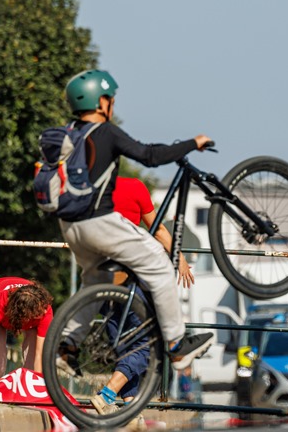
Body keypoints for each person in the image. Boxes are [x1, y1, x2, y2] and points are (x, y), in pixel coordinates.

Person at [55, 70, 214, 411]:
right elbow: (150, 155)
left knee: (94, 280)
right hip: (96, 221)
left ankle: (67, 345)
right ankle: (176, 345)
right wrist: (192, 144)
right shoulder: (105, 131)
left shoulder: (68, 134)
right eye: (110, 99)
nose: (112, 104)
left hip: (69, 227)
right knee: (158, 262)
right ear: (101, 102)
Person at [90, 176, 197, 415]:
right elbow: (158, 229)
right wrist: (179, 258)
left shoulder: (90, 187)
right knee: (149, 343)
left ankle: (130, 409)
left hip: (96, 281)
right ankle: (108, 393)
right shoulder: (133, 186)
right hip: (127, 279)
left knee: (124, 347)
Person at [0, 277, 53, 390]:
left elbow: (40, 353)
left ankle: (29, 386)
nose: (44, 312)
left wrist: (38, 388)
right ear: (24, 313)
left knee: (34, 340)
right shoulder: (0, 302)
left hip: (22, 310)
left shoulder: (45, 309)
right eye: (38, 312)